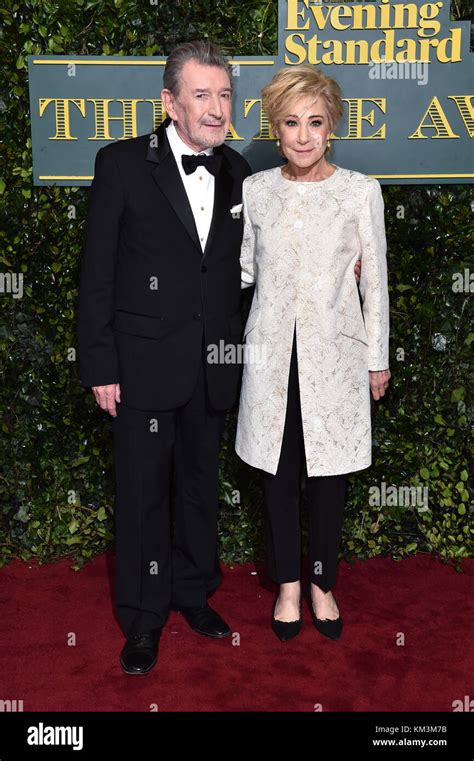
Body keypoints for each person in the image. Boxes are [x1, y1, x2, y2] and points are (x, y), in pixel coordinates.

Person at [77, 41, 252, 675]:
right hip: (142, 365)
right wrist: (100, 363)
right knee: (144, 494)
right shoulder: (123, 164)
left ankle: (191, 592)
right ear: (170, 102)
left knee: (201, 489)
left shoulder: (239, 172)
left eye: (224, 94)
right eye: (201, 94)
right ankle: (143, 619)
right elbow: (96, 272)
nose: (215, 107)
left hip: (213, 365)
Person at [235, 64, 391, 642]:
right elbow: (246, 269)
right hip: (272, 357)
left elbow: (374, 280)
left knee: (329, 476)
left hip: (338, 357)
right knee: (278, 473)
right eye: (291, 123)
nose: (303, 135)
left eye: (315, 122)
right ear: (276, 129)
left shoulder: (359, 192)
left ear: (332, 129)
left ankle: (322, 582)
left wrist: (377, 356)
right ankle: (287, 586)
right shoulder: (256, 191)